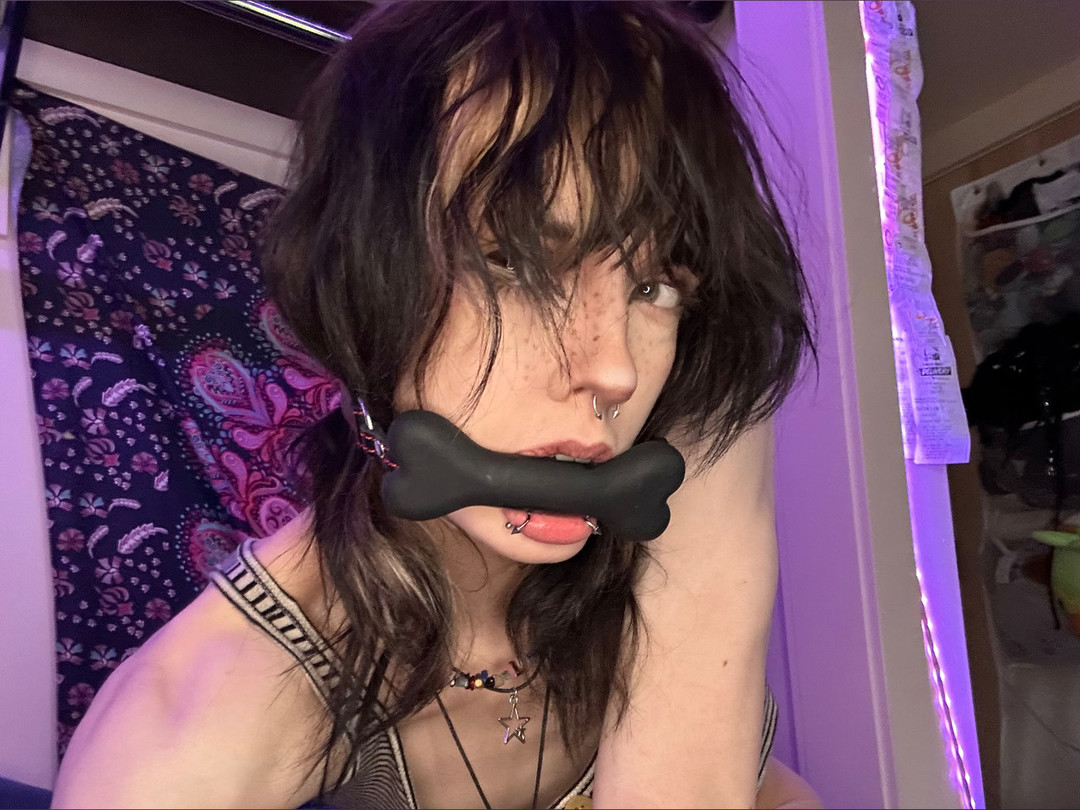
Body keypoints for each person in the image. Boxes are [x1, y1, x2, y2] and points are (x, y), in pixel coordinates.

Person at [51, 2, 823, 808]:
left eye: (654, 286)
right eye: (515, 262)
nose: (615, 370)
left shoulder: (693, 430)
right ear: (360, 281)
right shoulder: (191, 734)